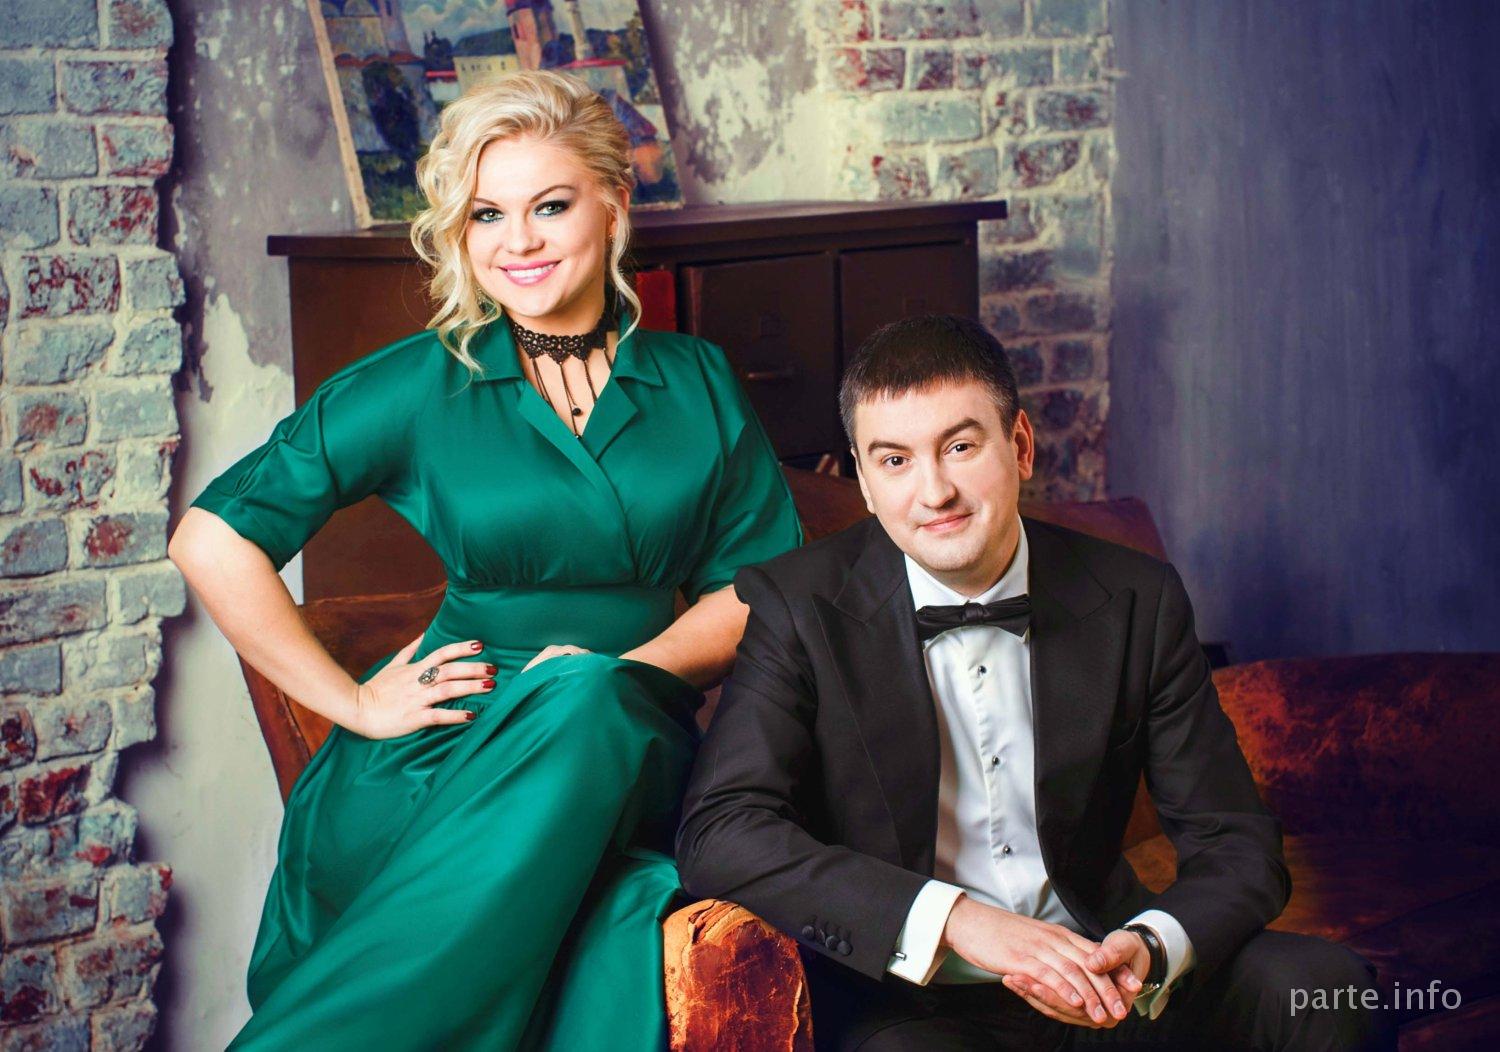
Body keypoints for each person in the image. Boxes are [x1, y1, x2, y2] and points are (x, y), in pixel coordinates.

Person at [169, 69, 802, 1049]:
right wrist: (355, 702)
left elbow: (755, 591)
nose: (520, 241)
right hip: (442, 748)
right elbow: (211, 536)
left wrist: (615, 677)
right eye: (486, 215)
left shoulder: (697, 379)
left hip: (632, 731)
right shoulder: (422, 381)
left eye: (550, 206)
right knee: (608, 904)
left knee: (589, 716)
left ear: (612, 205)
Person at [675, 314, 1393, 1051]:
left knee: (1328, 990)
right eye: (894, 461)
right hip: (915, 1003)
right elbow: (720, 830)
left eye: (960, 447)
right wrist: (955, 919)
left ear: (1018, 445)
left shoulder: (1135, 597)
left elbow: (1236, 840)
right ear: (862, 478)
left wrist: (1149, 948)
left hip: (1106, 971)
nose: (934, 492)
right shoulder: (799, 604)